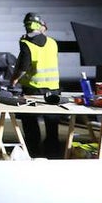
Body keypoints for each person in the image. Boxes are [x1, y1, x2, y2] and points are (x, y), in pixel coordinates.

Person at [8, 12, 61, 158]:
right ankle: (53, 153)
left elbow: (23, 67)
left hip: (33, 88)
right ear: (42, 27)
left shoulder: (26, 44)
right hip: (53, 88)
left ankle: (33, 151)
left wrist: (14, 80)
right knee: (52, 123)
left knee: (30, 121)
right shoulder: (52, 42)